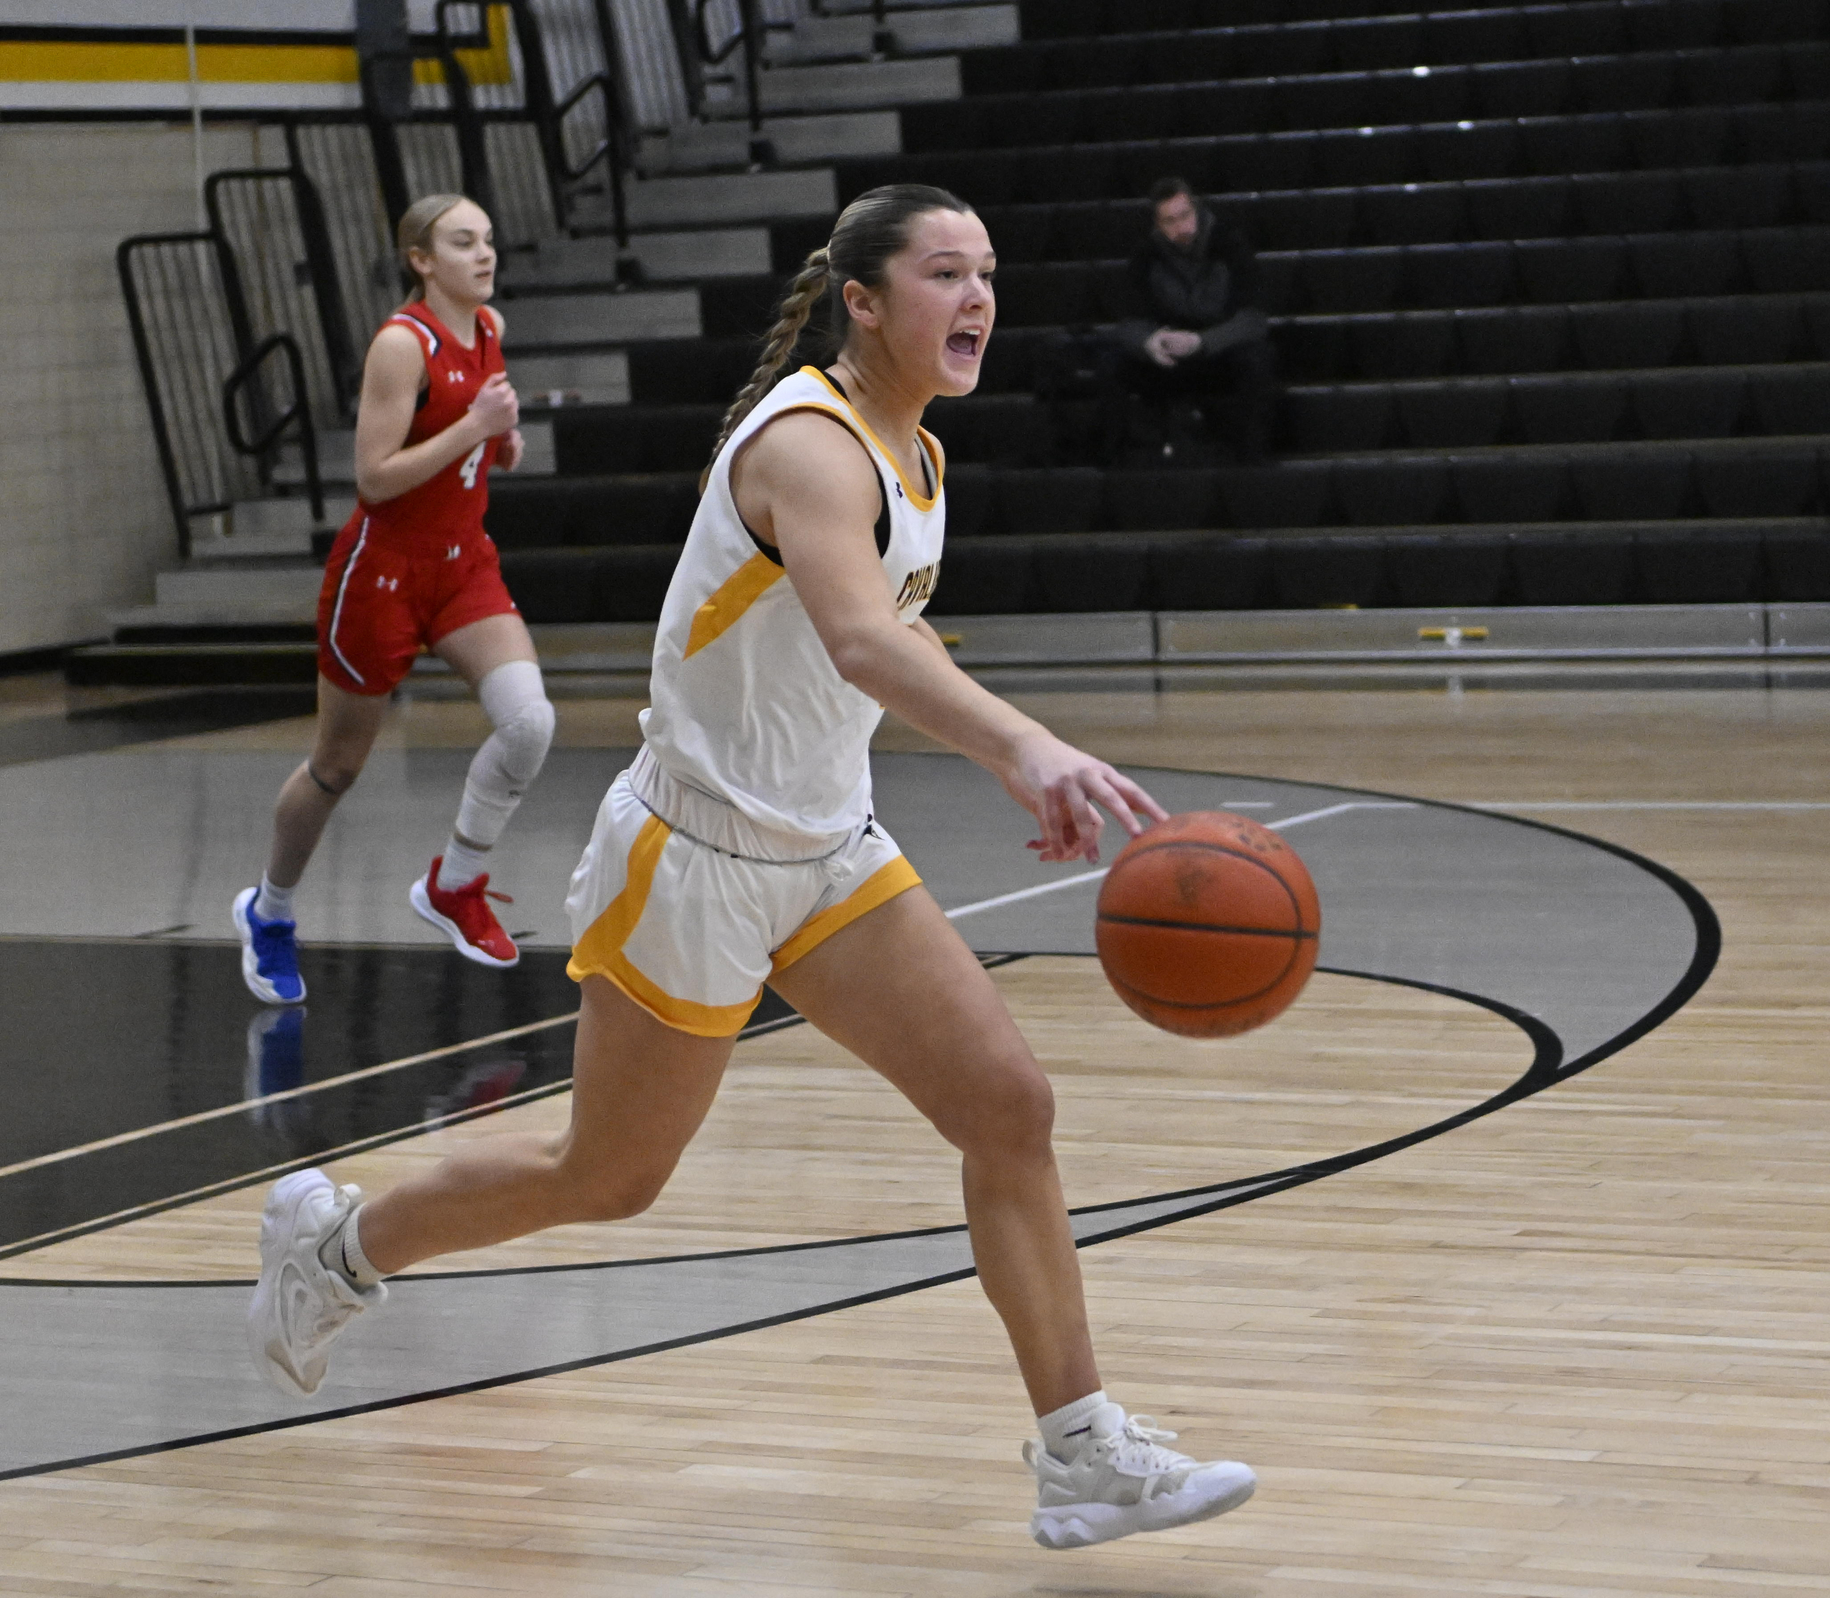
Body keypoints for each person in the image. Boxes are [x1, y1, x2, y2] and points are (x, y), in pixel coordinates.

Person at [243, 185, 1257, 1552]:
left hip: (829, 850)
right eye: (945, 273)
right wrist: (1025, 750)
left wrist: (998, 742)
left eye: (989, 271)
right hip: (696, 858)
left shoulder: (917, 455)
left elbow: (883, 641)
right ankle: (339, 1246)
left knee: (1009, 1106)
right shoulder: (808, 442)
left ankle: (1080, 1448)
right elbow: (856, 638)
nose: (978, 300)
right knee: (607, 1175)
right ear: (862, 302)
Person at [232, 193, 554, 1003]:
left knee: (530, 722)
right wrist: (473, 430)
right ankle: (269, 911)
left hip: (462, 565)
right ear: (421, 259)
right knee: (338, 766)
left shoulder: (490, 330)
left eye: (488, 239)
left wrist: (498, 442)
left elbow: (470, 447)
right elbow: (374, 480)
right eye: (462, 242)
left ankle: (455, 881)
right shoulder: (399, 346)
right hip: (382, 575)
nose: (484, 255)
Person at [1107, 176, 1275, 462]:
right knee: (1111, 363)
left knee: (1258, 359)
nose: (1181, 226)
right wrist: (1150, 341)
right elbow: (1126, 321)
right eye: (1170, 221)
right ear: (1158, 225)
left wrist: (1203, 341)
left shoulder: (1229, 243)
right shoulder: (1146, 255)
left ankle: (1252, 460)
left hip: (1219, 350)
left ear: (1196, 210)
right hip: (1170, 358)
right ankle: (1116, 460)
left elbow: (1255, 319)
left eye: (1185, 215)